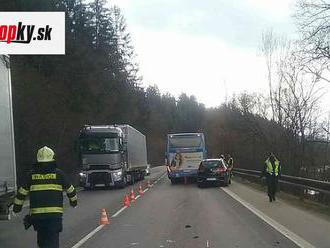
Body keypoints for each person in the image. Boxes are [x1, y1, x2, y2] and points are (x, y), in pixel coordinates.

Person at [13, 146, 77, 248]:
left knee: (42, 241)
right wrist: (73, 203)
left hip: (37, 218)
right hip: (54, 217)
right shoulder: (59, 174)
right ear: (52, 158)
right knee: (53, 241)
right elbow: (71, 190)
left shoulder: (31, 175)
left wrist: (16, 209)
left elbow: (21, 194)